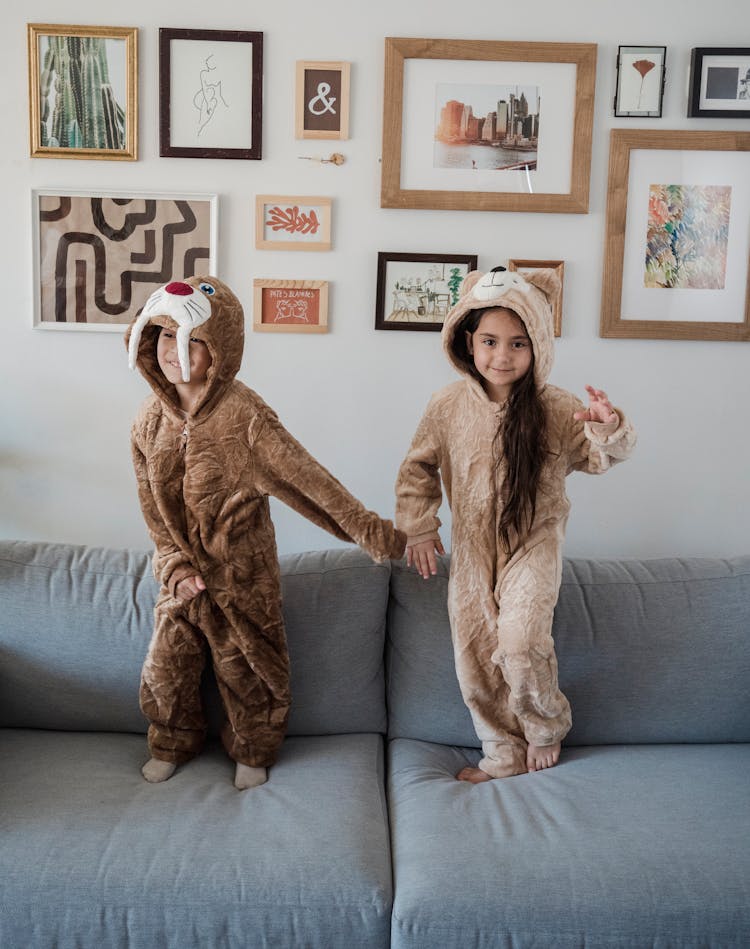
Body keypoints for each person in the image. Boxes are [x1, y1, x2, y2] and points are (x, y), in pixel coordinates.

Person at [126, 276, 405, 790]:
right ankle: (172, 741)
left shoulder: (245, 418)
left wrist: (380, 535)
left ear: (221, 350)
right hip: (183, 582)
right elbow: (153, 514)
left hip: (242, 578)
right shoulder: (148, 423)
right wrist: (176, 567)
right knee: (166, 668)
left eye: (192, 340)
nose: (174, 350)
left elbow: (312, 484)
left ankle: (252, 750)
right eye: (164, 336)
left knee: (252, 672)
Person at [395, 266, 636, 781]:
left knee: (520, 641)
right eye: (489, 341)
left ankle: (544, 727)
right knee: (475, 652)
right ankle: (501, 752)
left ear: (538, 347)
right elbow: (417, 466)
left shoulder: (556, 407)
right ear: (467, 341)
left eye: (518, 344)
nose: (501, 356)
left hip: (534, 542)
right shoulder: (447, 405)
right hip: (471, 546)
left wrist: (607, 427)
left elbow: (601, 458)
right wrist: (419, 525)